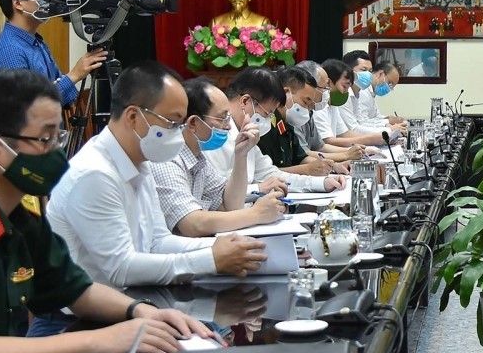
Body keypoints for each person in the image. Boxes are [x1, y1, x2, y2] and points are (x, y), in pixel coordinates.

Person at [0, 69, 212, 353]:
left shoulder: (22, 209)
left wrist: (142, 312)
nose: (58, 153)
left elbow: (76, 290)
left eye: (59, 136)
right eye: (45, 139)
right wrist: (95, 342)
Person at [48, 62, 268, 292]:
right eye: (173, 122)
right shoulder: (95, 173)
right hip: (79, 320)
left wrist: (234, 248)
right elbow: (121, 268)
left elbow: (158, 241)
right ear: (133, 117)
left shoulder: (140, 163)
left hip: (131, 300)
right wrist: (211, 259)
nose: (180, 131)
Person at [149, 78, 286, 237]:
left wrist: (241, 155)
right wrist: (257, 214)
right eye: (222, 118)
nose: (228, 126)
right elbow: (192, 224)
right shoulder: (167, 159)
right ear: (193, 122)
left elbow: (230, 205)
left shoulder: (198, 159)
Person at [207, 67, 345, 193]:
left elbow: (270, 174)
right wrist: (258, 189)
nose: (270, 120)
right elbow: (216, 194)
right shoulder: (215, 136)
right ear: (245, 101)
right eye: (268, 113)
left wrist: (321, 183)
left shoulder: (247, 135)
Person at [0, 0, 108, 108]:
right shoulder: (10, 50)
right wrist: (74, 75)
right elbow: (28, 107)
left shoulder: (36, 42)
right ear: (18, 3)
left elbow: (60, 93)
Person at [256, 66, 347, 189]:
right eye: (306, 102)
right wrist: (307, 169)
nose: (308, 109)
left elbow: (301, 157)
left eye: (310, 105)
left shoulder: (287, 122)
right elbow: (264, 173)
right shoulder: (263, 124)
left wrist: (331, 166)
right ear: (286, 93)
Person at [292, 60, 365, 166]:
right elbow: (304, 154)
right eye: (325, 87)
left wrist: (352, 152)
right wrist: (345, 155)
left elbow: (320, 146)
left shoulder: (310, 111)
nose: (328, 91)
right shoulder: (295, 112)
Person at [314, 59, 394, 148]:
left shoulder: (333, 104)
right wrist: (370, 139)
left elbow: (344, 134)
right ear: (328, 83)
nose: (345, 92)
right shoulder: (319, 106)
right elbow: (327, 141)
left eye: (348, 88)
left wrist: (375, 138)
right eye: (344, 86)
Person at [356, 62, 405, 130]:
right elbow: (362, 123)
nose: (389, 89)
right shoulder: (363, 92)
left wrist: (387, 118)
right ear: (380, 74)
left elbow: (375, 116)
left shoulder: (372, 93)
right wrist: (388, 123)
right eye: (390, 84)